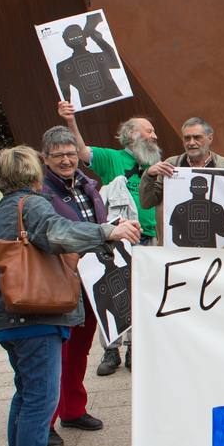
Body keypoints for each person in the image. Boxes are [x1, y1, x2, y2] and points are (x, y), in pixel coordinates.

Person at [0, 146, 141, 446]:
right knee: (41, 395)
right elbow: (58, 233)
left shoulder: (8, 206)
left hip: (11, 313)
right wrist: (106, 232)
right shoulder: (34, 203)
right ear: (32, 171)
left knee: (25, 395)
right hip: (35, 313)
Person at [58, 100, 158, 376]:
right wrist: (70, 121)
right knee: (113, 292)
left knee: (141, 296)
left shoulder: (155, 163)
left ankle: (134, 350)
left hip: (147, 237)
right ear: (132, 135)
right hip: (118, 238)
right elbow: (81, 151)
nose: (154, 136)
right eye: (149, 131)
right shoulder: (111, 158)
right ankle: (111, 350)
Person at [38, 126, 110, 446]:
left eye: (70, 154)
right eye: (59, 155)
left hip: (91, 276)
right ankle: (46, 421)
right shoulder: (40, 191)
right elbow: (57, 233)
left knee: (80, 348)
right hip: (60, 277)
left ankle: (73, 409)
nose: (67, 160)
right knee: (58, 352)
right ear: (45, 158)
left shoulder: (86, 184)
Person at [138, 117, 224, 249]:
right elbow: (147, 202)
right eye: (187, 138)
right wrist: (149, 175)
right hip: (179, 254)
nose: (191, 142)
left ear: (210, 138)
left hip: (220, 253)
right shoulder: (171, 165)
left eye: (197, 137)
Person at [54, 14, 125, 107]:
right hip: (114, 99)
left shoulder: (62, 66)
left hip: (94, 104)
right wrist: (98, 39)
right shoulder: (100, 57)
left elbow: (66, 98)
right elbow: (116, 62)